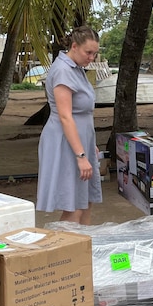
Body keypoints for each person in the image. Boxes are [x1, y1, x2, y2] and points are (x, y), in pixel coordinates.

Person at [36, 26, 102, 224]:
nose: (91, 57)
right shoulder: (64, 70)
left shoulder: (77, 69)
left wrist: (89, 146)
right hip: (66, 142)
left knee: (86, 201)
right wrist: (81, 155)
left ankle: (85, 247)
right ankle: (63, 251)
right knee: (73, 204)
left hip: (80, 140)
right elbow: (66, 116)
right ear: (74, 46)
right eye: (88, 52)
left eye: (95, 53)